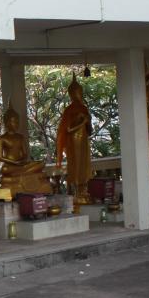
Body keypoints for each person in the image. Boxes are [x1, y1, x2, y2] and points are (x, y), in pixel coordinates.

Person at [0, 103, 51, 195]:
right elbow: (0, 158)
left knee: (41, 164)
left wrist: (21, 161)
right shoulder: (2, 139)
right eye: (14, 121)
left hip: (22, 165)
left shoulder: (20, 137)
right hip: (10, 166)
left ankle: (18, 175)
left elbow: (25, 154)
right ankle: (21, 176)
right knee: (4, 170)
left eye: (17, 121)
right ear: (7, 122)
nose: (16, 124)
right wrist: (15, 163)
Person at [55, 75, 93, 206]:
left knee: (85, 165)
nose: (78, 94)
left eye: (80, 92)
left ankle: (84, 191)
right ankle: (76, 192)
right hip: (73, 143)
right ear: (71, 94)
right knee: (75, 166)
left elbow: (90, 131)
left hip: (83, 142)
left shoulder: (84, 108)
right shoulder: (69, 110)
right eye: (76, 92)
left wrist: (88, 121)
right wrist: (82, 122)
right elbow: (68, 130)